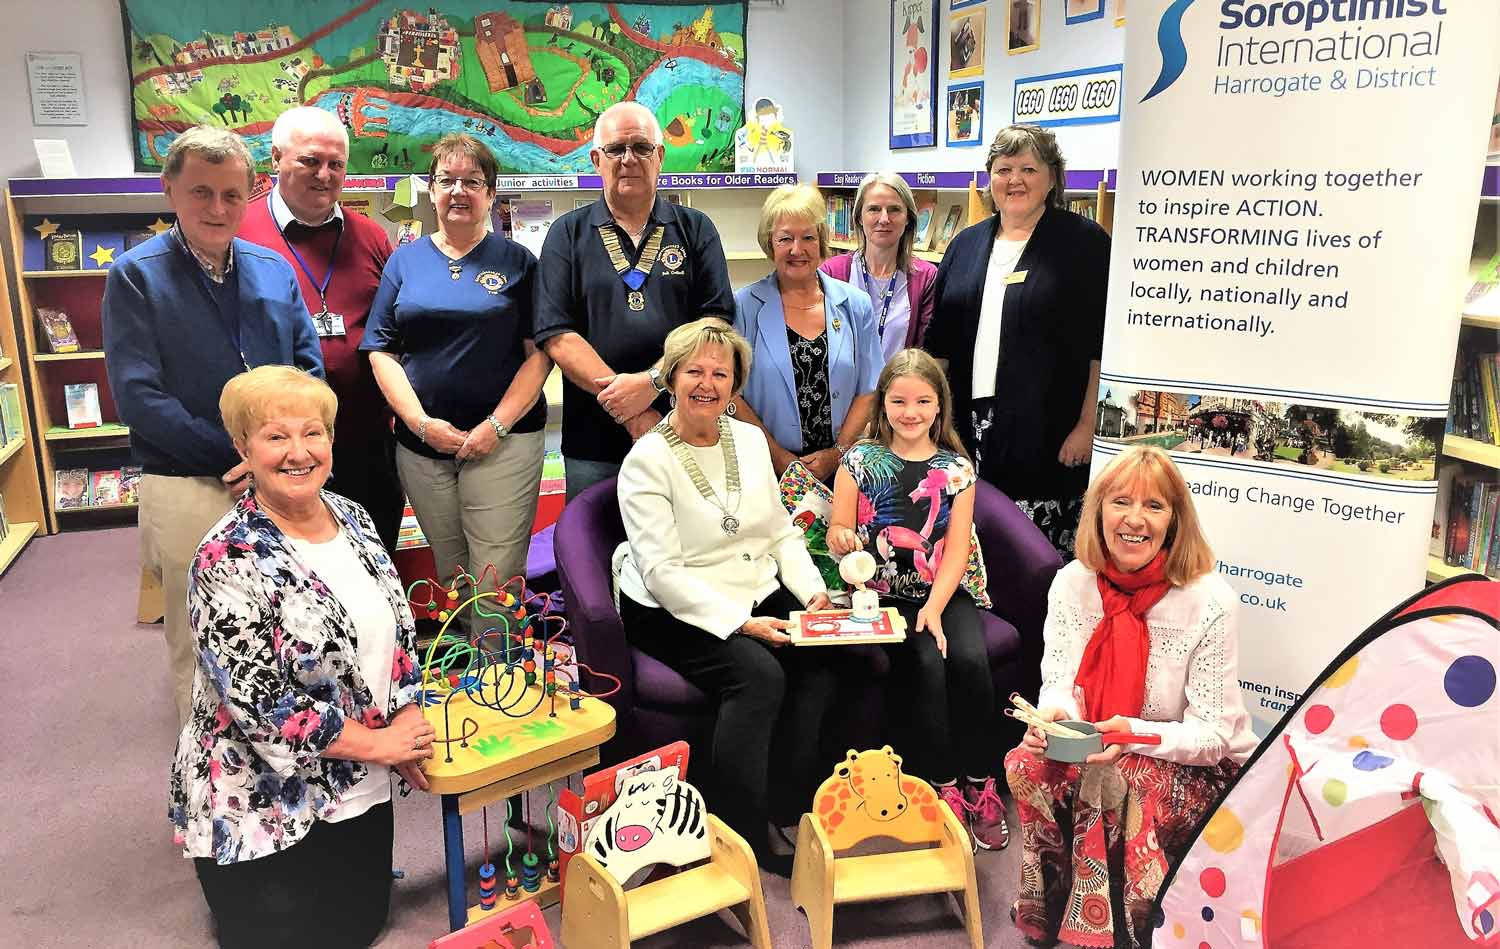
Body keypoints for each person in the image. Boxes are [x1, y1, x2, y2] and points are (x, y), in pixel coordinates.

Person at [172, 366, 430, 949]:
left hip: (357, 782)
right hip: (261, 797)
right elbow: (260, 704)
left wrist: (409, 714)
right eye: (275, 436)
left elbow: (398, 634)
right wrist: (382, 745)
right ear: (243, 449)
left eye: (313, 434)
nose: (298, 452)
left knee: (361, 926)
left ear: (331, 442)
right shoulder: (226, 556)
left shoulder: (356, 519)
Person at [103, 125, 324, 727]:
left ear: (250, 193)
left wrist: (280, 458)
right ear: (169, 190)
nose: (218, 208)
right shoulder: (135, 276)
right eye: (201, 192)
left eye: (232, 194)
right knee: (202, 648)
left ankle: (293, 761)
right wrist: (241, 459)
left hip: (283, 484)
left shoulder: (272, 270)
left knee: (289, 632)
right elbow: (140, 397)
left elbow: (308, 370)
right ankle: (212, 787)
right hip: (190, 485)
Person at [615, 318, 853, 876]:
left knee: (822, 660)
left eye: (720, 373)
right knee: (758, 676)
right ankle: (738, 830)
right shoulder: (646, 460)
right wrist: (741, 625)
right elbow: (663, 572)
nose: (707, 383)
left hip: (749, 582)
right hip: (670, 604)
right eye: (694, 370)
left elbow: (779, 533)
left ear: (733, 386)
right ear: (671, 377)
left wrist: (816, 595)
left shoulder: (746, 439)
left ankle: (788, 802)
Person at [1003, 446, 1257, 948]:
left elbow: (1213, 738)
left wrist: (1133, 734)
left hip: (1195, 766)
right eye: (1120, 502)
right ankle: (1053, 904)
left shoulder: (1210, 601)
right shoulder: (1071, 584)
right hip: (1102, 744)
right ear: (1098, 511)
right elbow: (1058, 681)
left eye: (1154, 507)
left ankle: (1126, 927)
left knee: (1116, 777)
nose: (1135, 520)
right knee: (1025, 763)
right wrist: (1055, 717)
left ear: (1174, 521)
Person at [827, 349, 1008, 851]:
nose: (911, 412)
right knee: (928, 664)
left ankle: (981, 781)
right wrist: (842, 538)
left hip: (944, 591)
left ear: (939, 406)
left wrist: (935, 604)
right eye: (899, 400)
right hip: (885, 598)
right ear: (882, 403)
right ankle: (942, 784)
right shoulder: (859, 462)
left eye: (923, 401)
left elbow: (955, 548)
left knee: (969, 660)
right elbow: (839, 527)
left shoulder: (956, 469)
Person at [363, 134, 549, 619]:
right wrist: (421, 424)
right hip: (423, 448)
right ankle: (467, 684)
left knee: (496, 577)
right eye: (447, 181)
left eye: (473, 181)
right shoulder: (404, 261)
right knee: (452, 571)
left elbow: (540, 356)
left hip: (504, 444)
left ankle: (497, 686)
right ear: (431, 191)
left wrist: (497, 426)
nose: (459, 192)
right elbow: (381, 351)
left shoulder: (520, 263)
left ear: (491, 194)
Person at [925, 124, 1110, 560]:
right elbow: (941, 344)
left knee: (1037, 556)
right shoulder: (966, 244)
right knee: (975, 545)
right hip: (969, 427)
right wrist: (933, 424)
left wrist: (1087, 426)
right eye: (1003, 169)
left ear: (1052, 177)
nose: (1015, 180)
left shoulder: (1084, 244)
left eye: (1029, 168)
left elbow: (1097, 347)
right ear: (990, 178)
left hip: (1048, 432)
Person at [533, 101, 735, 500]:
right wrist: (630, 408)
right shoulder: (566, 234)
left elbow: (715, 323)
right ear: (596, 159)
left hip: (684, 426)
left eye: (641, 147)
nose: (629, 159)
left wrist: (654, 381)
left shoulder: (696, 229)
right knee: (594, 552)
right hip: (593, 443)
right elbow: (557, 334)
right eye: (616, 149)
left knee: (686, 548)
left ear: (660, 156)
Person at [238, 106, 402, 551]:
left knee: (373, 556)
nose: (324, 175)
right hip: (278, 452)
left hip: (364, 439)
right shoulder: (237, 233)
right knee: (290, 575)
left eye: (336, 164)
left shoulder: (371, 237)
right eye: (310, 161)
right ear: (275, 158)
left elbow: (394, 332)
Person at [733, 184, 883, 482]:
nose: (796, 249)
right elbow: (731, 394)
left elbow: (869, 388)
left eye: (808, 238)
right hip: (765, 467)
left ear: (822, 242)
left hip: (841, 468)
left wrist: (837, 453)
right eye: (785, 238)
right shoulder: (744, 305)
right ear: (769, 244)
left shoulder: (856, 305)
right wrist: (779, 458)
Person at [820, 172, 938, 360]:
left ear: (908, 218)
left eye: (894, 210)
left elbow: (927, 355)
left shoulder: (926, 278)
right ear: (859, 217)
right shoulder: (832, 273)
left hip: (899, 387)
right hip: (845, 388)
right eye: (874, 209)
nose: (884, 219)